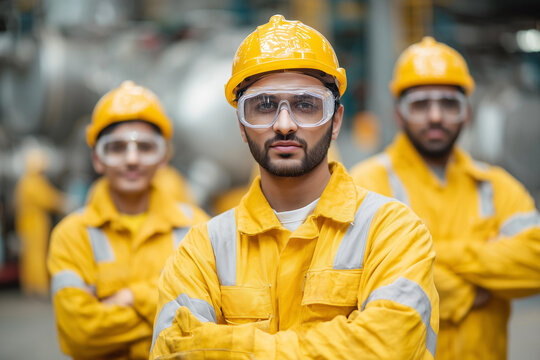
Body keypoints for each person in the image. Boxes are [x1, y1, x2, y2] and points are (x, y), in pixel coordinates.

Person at [151, 15, 439, 359]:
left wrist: (231, 346)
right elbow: (172, 351)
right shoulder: (202, 251)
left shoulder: (393, 231)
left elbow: (389, 347)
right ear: (241, 126)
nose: (285, 125)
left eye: (305, 105)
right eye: (264, 106)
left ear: (336, 122)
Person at [350, 37, 540, 360]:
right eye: (421, 105)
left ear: (466, 113)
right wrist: (476, 288)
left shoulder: (496, 186)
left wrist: (436, 257)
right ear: (398, 114)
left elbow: (535, 262)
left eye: (449, 104)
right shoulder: (365, 184)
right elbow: (360, 286)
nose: (436, 116)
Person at [47, 81, 209, 359]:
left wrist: (130, 298)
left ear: (163, 157)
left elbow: (212, 318)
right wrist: (164, 312)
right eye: (117, 147)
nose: (132, 159)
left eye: (146, 147)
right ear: (97, 158)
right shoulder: (72, 234)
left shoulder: (197, 226)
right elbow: (79, 334)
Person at [14, 147, 68, 297]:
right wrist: (64, 202)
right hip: (35, 223)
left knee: (29, 254)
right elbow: (47, 198)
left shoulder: (24, 181)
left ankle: (30, 286)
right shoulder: (34, 182)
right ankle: (38, 287)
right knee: (36, 254)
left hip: (27, 222)